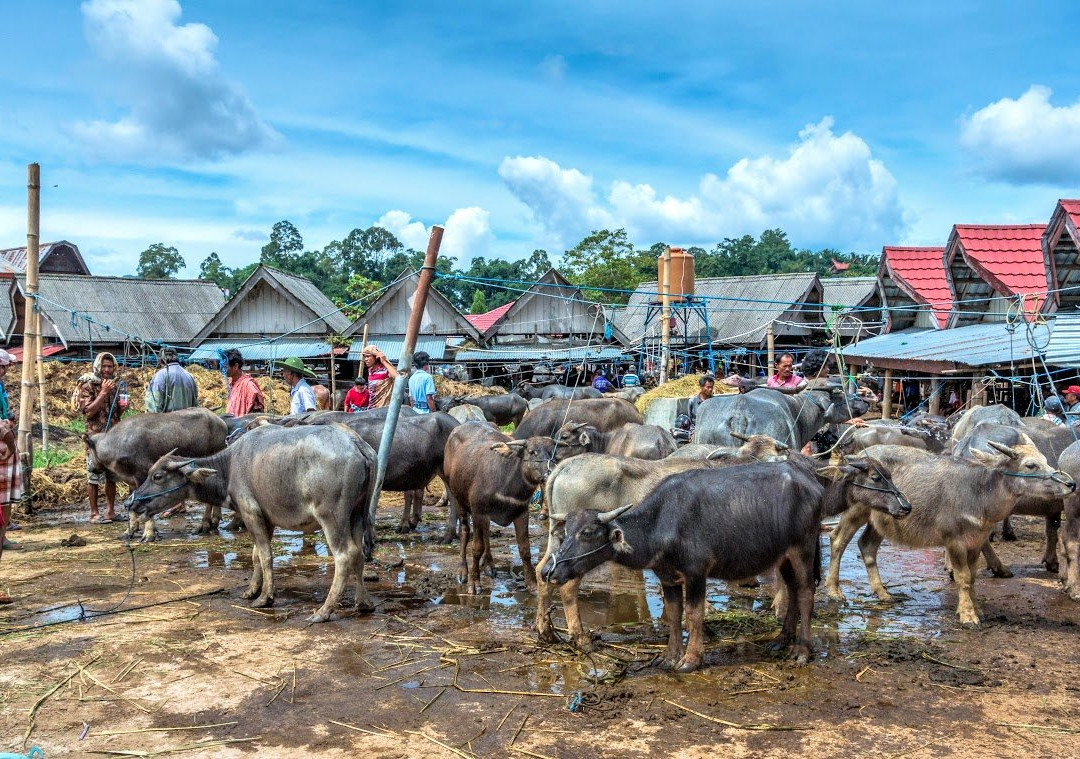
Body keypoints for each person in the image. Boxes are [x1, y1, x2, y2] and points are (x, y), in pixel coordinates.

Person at [74, 351, 123, 524]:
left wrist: (123, 407)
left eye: (110, 366)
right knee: (93, 475)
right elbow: (88, 413)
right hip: (95, 438)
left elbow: (116, 412)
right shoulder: (88, 386)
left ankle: (111, 511)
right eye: (104, 366)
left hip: (112, 437)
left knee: (112, 476)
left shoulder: (114, 386)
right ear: (97, 367)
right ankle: (94, 513)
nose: (107, 370)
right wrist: (103, 393)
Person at [0, 349, 23, 562]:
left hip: (5, 442)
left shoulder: (1, 386)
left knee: (5, 497)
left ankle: (3, 534)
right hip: (2, 445)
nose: (4, 370)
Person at [146, 347, 198, 413]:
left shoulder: (160, 375)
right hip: (187, 422)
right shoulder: (189, 376)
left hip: (167, 422)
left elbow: (153, 407)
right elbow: (195, 405)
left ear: (160, 360)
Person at [224, 349, 264, 417]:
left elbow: (256, 415)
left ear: (236, 366)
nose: (222, 369)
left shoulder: (249, 385)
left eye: (225, 366)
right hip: (232, 424)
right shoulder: (232, 383)